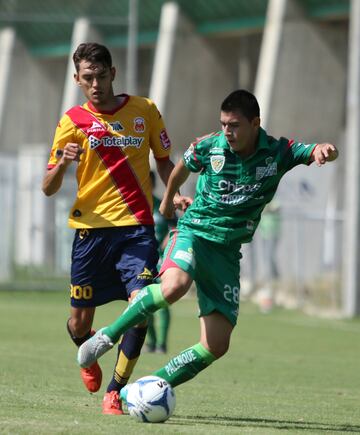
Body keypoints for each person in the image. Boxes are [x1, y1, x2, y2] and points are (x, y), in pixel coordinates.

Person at [77, 89, 338, 397]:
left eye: (235, 125)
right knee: (174, 286)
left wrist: (325, 150)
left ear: (256, 123)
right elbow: (180, 168)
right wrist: (169, 201)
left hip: (226, 252)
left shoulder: (278, 152)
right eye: (224, 124)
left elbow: (314, 149)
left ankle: (145, 389)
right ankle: (108, 335)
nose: (227, 131)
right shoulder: (209, 145)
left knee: (216, 345)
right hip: (194, 232)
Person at [42, 42, 190, 415]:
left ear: (113, 73)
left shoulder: (145, 110)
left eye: (101, 76)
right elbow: (48, 187)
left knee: (140, 306)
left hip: (136, 229)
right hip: (90, 232)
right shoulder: (71, 121)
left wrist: (174, 195)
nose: (96, 84)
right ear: (77, 79)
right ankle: (87, 352)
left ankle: (116, 391)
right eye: (87, 78)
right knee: (78, 324)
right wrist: (62, 162)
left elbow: (164, 160)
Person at [144, 171, 177, 354]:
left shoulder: (162, 206)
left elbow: (176, 227)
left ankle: (162, 344)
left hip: (162, 261)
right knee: (143, 302)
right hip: (142, 261)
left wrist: (168, 241)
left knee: (163, 301)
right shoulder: (134, 206)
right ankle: (151, 341)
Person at [257, 198, 282, 312]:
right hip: (264, 231)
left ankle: (272, 285)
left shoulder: (274, 196)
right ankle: (267, 288)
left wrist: (265, 208)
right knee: (265, 259)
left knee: (269, 259)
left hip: (272, 231)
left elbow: (275, 208)